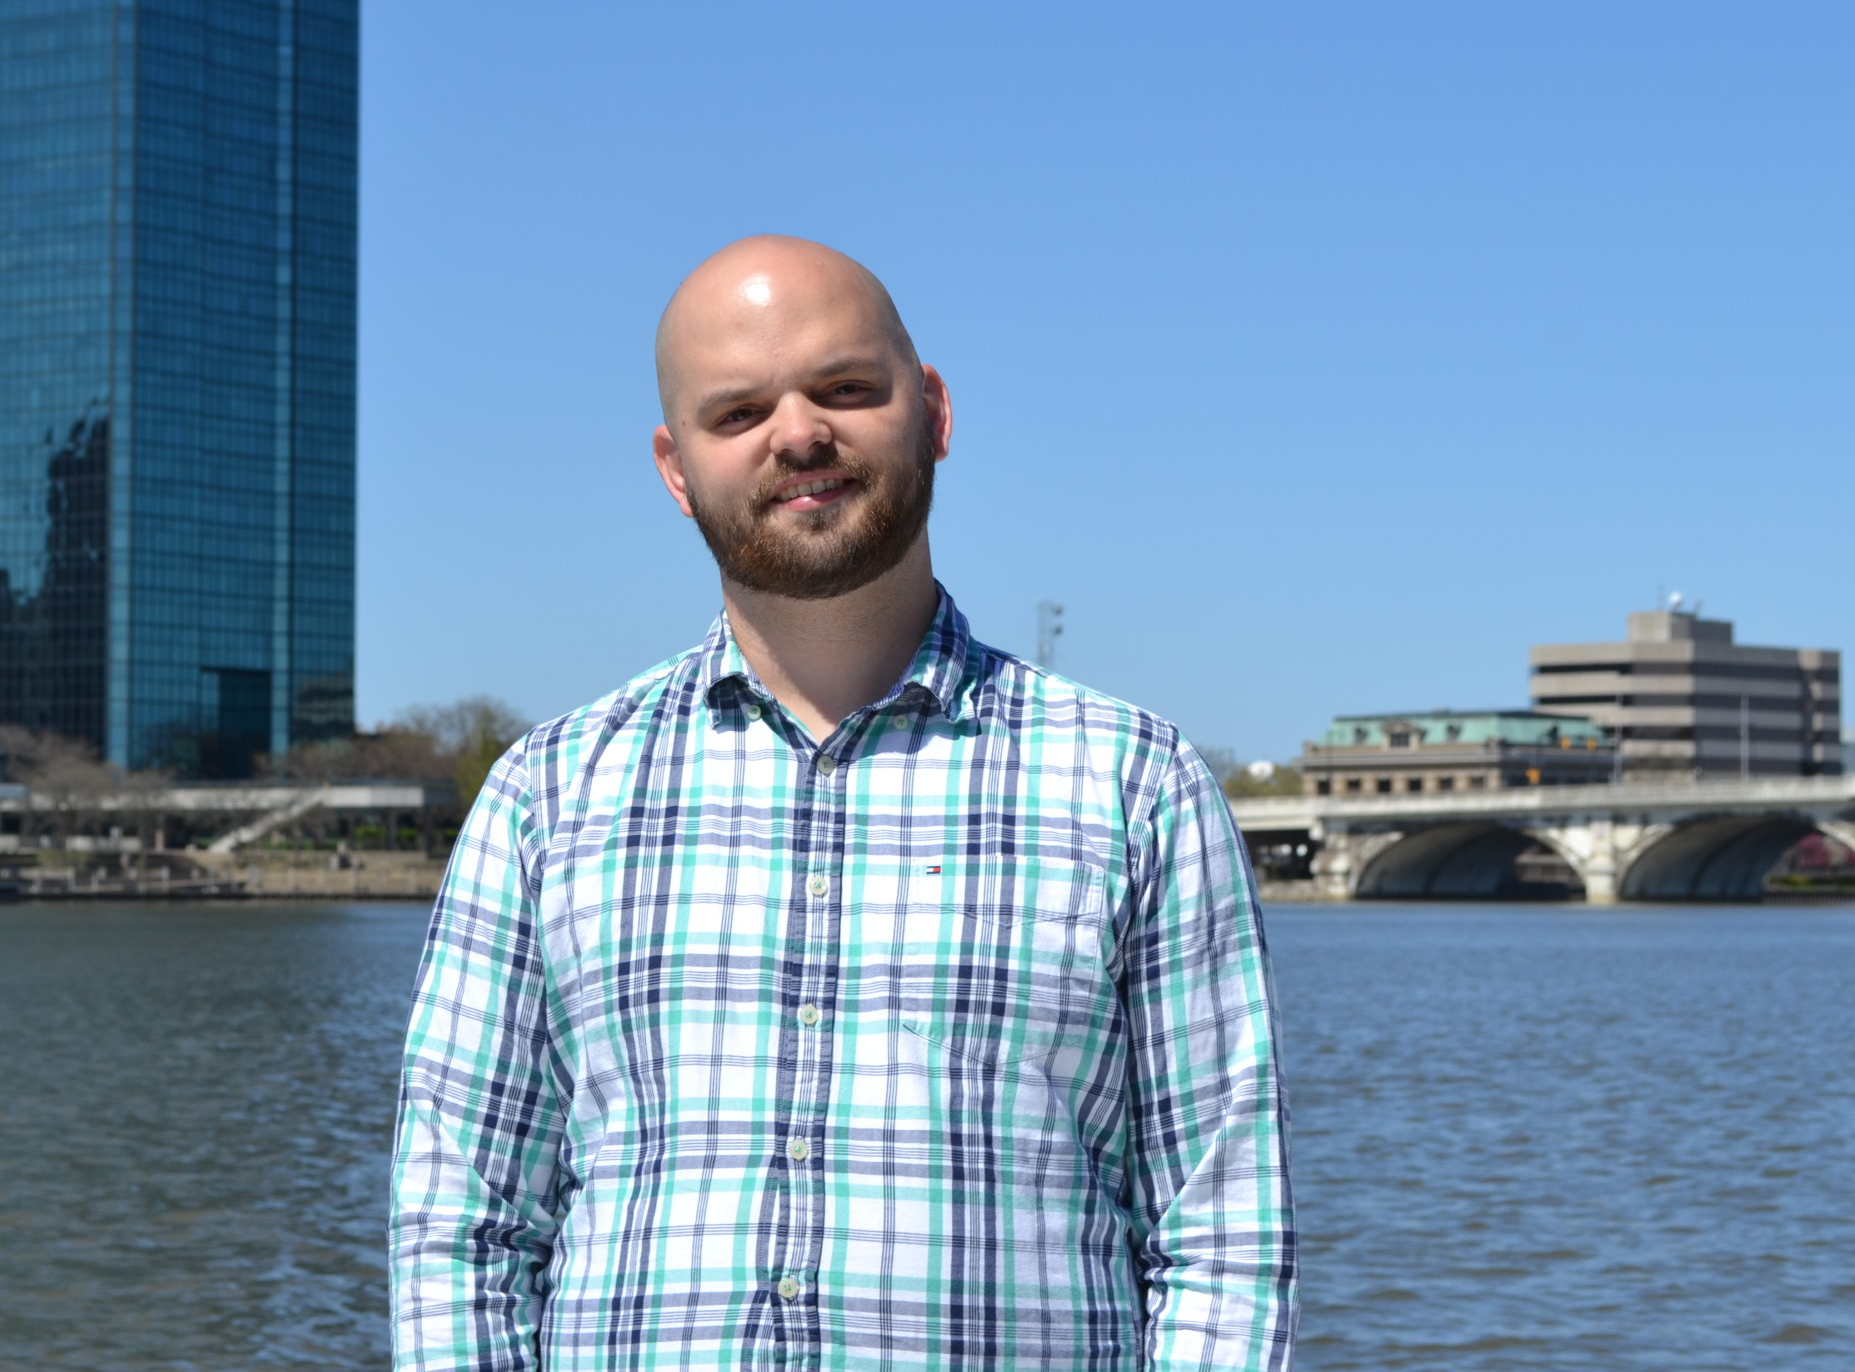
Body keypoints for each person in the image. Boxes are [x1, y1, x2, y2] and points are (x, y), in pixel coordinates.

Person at [391, 236, 1295, 1371]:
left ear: (935, 412)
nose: (798, 434)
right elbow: (462, 1233)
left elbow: (1221, 1241)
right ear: (676, 470)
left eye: (846, 388)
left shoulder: (1138, 788)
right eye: (738, 412)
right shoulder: (544, 801)